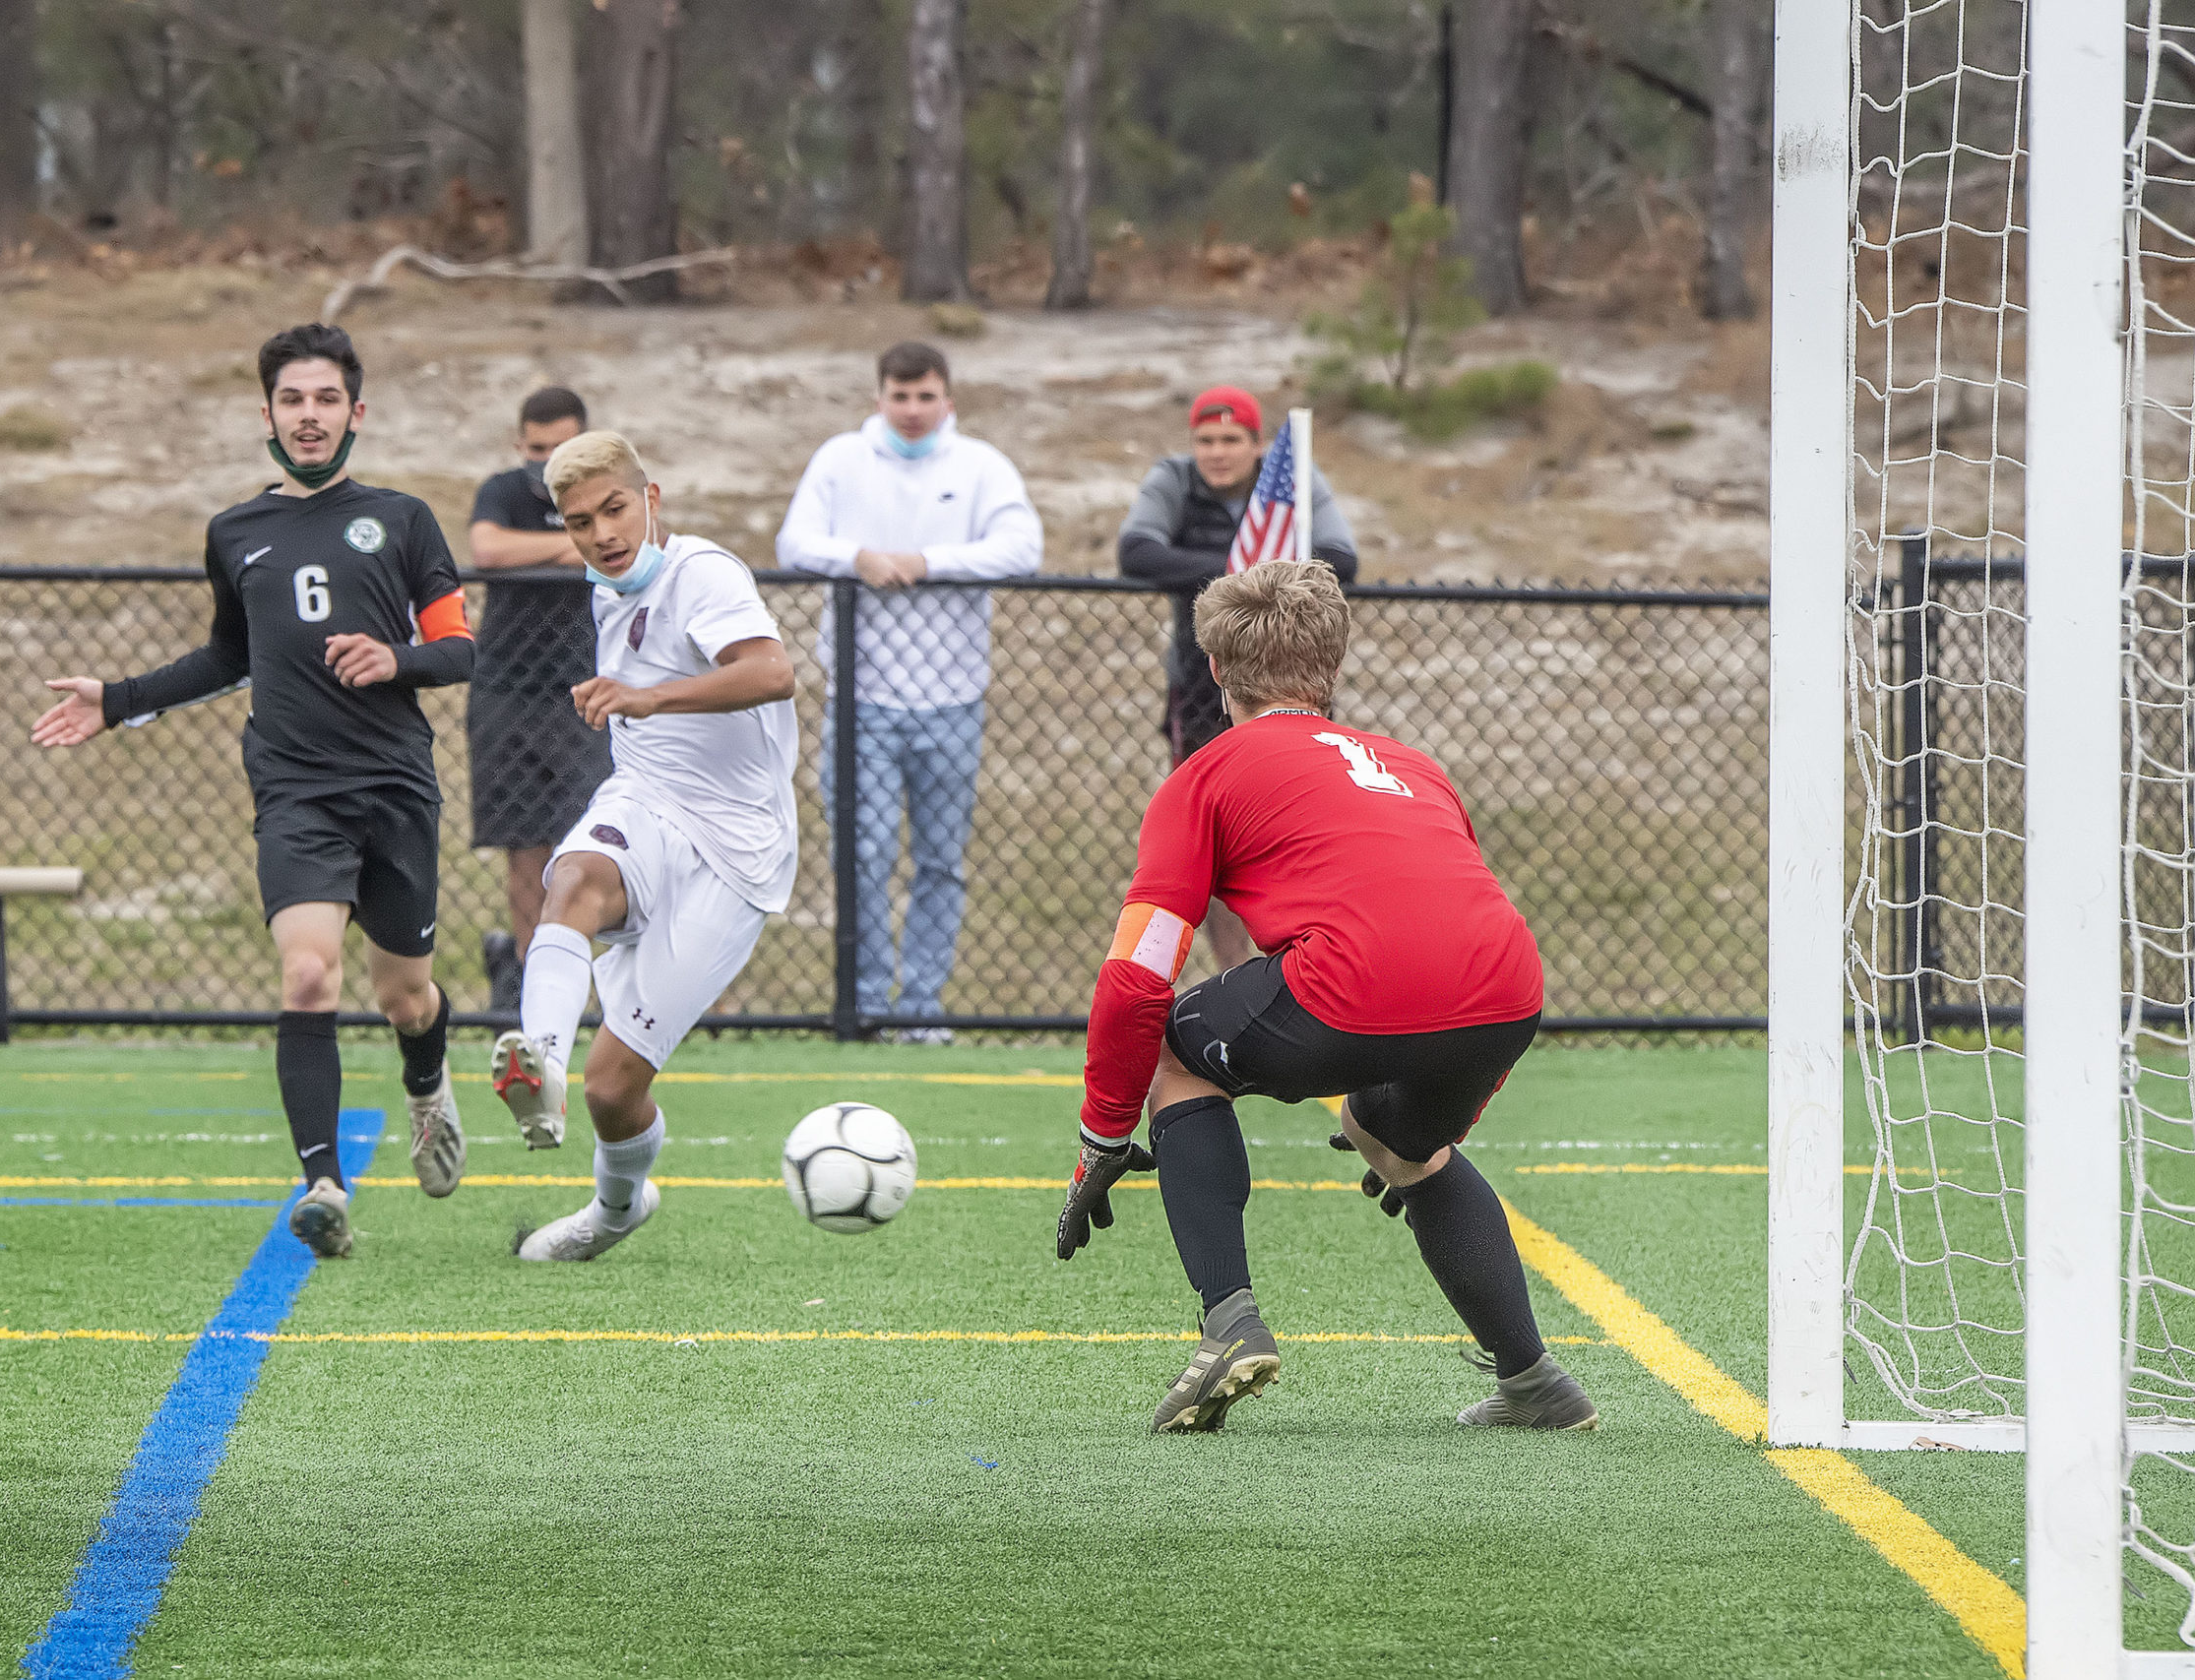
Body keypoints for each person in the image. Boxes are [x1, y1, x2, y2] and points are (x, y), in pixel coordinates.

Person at [1056, 560, 1592, 1437]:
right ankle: (1535, 1381)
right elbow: (1460, 929)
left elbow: (1139, 975)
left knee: (1173, 1049)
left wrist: (1103, 1134)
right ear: (1330, 670)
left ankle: (1229, 1322)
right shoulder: (1416, 767)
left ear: (1219, 672)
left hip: (1352, 984)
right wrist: (1429, 1126)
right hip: (1511, 990)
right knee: (1402, 1144)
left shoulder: (1203, 775)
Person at [31, 323, 474, 1260]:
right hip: (294, 788)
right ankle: (323, 1186)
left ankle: (428, 1082)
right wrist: (117, 700)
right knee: (308, 970)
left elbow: (458, 649)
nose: (307, 417)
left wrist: (393, 655)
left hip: (394, 782)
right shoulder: (235, 532)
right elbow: (230, 656)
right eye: (290, 400)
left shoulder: (402, 519)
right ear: (265, 414)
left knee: (407, 997)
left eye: (324, 400)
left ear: (356, 411)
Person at [490, 430, 798, 1262]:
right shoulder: (605, 585)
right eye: (580, 520)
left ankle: (615, 1208)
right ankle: (539, 1065)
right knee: (574, 879)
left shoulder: (702, 572)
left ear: (652, 498)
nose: (602, 533)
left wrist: (651, 697)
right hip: (647, 800)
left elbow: (772, 671)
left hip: (737, 849)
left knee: (615, 1089)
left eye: (616, 508)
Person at [778, 341, 1041, 1040]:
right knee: (861, 856)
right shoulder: (840, 460)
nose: (914, 409)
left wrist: (929, 563)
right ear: (880, 399)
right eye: (901, 396)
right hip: (859, 699)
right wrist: (857, 559)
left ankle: (920, 1008)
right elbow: (793, 542)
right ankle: (864, 1004)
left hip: (952, 700)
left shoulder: (982, 466)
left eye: (927, 396)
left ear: (947, 400)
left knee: (940, 862)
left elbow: (1022, 547)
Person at [1116, 386, 1359, 970]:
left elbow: (1341, 558)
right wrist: (1247, 571)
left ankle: (1302, 965)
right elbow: (1137, 551)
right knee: (1212, 842)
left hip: (1299, 684)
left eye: (1231, 440)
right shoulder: (1174, 479)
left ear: (1259, 444)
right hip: (1203, 689)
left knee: (1302, 831)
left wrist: (1225, 572)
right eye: (1205, 440)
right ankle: (1236, 973)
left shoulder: (1294, 478)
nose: (1217, 452)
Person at [468, 386, 611, 1015]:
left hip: (587, 690)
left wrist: (575, 541)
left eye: (562, 448)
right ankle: (527, 974)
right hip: (507, 688)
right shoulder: (502, 490)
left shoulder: (607, 489)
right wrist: (565, 546)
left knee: (591, 841)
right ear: (519, 444)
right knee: (523, 842)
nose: (548, 461)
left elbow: (628, 547)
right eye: (537, 448)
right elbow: (488, 549)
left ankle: (581, 975)